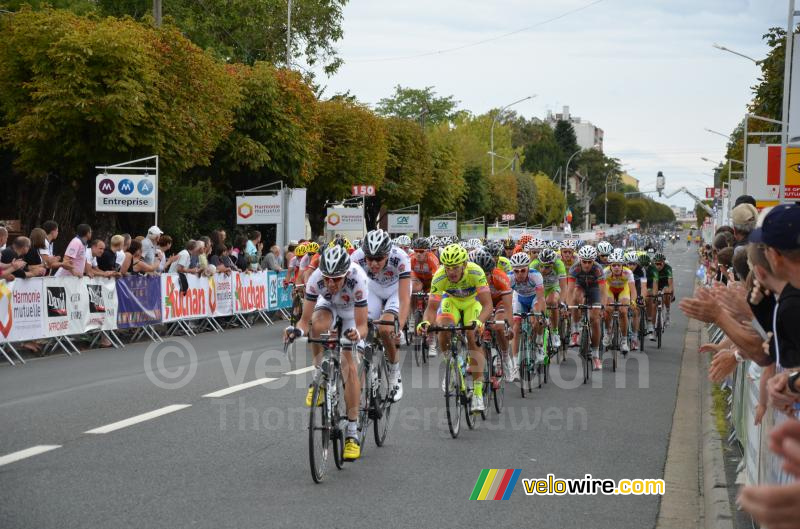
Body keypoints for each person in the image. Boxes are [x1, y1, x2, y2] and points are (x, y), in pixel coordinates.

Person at [284, 246, 368, 461]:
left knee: (349, 368)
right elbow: (304, 320)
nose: (331, 283)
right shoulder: (315, 278)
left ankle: (351, 433)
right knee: (316, 327)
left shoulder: (358, 278)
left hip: (351, 313)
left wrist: (356, 334)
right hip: (329, 305)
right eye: (328, 278)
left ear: (346, 273)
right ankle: (319, 375)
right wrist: (296, 330)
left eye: (336, 279)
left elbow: (362, 324)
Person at [417, 244, 494, 412]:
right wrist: (425, 323)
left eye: (455, 267)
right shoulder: (439, 276)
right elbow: (431, 308)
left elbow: (488, 304)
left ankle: (478, 392)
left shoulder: (476, 272)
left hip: (472, 303)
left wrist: (480, 322)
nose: (451, 272)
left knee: (472, 335)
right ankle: (452, 366)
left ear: (464, 265)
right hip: (451, 301)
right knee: (442, 329)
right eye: (448, 267)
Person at [350, 229, 411, 401]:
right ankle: (366, 371)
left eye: (379, 259)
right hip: (373, 289)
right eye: (369, 258)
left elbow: (405, 298)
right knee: (365, 327)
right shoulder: (356, 258)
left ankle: (394, 373)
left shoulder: (400, 257)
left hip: (395, 290)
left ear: (387, 254)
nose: (374, 263)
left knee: (385, 329)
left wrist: (400, 326)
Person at [567, 245, 607, 370]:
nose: (587, 265)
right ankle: (576, 329)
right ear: (580, 260)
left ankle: (595, 355)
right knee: (576, 296)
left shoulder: (598, 269)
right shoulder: (575, 268)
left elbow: (603, 292)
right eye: (584, 262)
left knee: (595, 320)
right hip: (580, 287)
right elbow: (569, 290)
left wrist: (602, 307)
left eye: (590, 262)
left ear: (594, 261)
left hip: (594, 289)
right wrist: (569, 306)